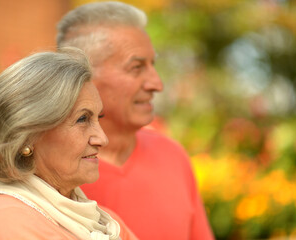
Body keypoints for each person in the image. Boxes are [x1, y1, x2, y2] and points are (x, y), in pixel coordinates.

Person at [56, 2, 215, 240]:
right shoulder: (50, 173)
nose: (156, 84)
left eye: (153, 65)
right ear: (82, 76)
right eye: (136, 67)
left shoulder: (172, 156)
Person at [0, 48, 137, 240]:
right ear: (27, 135)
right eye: (83, 119)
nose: (102, 138)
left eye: (98, 118)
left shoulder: (106, 222)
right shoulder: (7, 225)